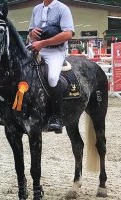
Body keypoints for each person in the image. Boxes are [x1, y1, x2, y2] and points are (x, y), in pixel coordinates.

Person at [28, 0, 74, 133]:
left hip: (55, 51)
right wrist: (32, 33)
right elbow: (31, 32)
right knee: (18, 68)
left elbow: (68, 34)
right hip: (36, 48)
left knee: (53, 78)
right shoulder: (36, 9)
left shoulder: (63, 9)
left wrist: (43, 42)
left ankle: (56, 116)